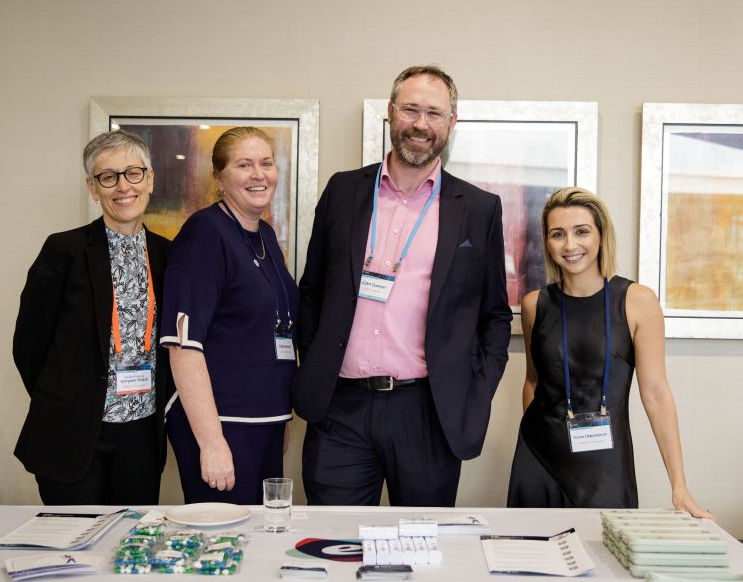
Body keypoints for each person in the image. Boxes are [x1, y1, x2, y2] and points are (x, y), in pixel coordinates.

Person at [293, 65, 513, 507]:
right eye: (411, 109)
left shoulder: (478, 208)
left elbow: (494, 315)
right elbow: (312, 291)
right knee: (335, 539)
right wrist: (316, 363)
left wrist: (473, 389)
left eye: (434, 113)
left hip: (428, 411)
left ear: (451, 122)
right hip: (340, 410)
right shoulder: (343, 191)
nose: (420, 124)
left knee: (423, 539)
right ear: (391, 112)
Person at [507, 187, 713, 517]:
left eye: (581, 231)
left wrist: (679, 484)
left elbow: (657, 394)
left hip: (604, 467)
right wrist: (540, 443)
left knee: (607, 548)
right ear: (547, 242)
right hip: (539, 461)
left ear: (601, 236)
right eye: (558, 234)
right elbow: (533, 382)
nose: (570, 245)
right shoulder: (535, 304)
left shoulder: (637, 301)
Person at [13, 130, 170, 505]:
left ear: (150, 179)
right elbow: (29, 345)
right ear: (93, 187)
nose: (123, 186)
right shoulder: (63, 250)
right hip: (73, 431)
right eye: (108, 176)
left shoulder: (168, 254)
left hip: (141, 433)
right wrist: (65, 400)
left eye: (133, 173)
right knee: (75, 537)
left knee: (130, 534)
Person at [160, 127, 298, 504]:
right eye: (244, 165)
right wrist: (211, 442)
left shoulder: (265, 235)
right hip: (222, 424)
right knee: (226, 535)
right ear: (219, 178)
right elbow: (183, 346)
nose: (259, 174)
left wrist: (278, 415)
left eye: (266, 163)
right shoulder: (204, 233)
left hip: (264, 421)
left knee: (263, 532)